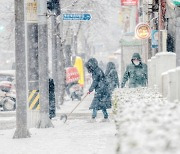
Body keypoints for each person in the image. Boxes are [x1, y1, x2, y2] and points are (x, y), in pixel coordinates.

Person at [85, 58, 111, 122]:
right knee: (102, 104)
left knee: (95, 104)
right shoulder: (98, 70)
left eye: (90, 66)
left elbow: (95, 82)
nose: (89, 68)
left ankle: (93, 118)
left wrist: (90, 90)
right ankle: (106, 117)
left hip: (100, 89)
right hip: (103, 89)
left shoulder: (96, 71)